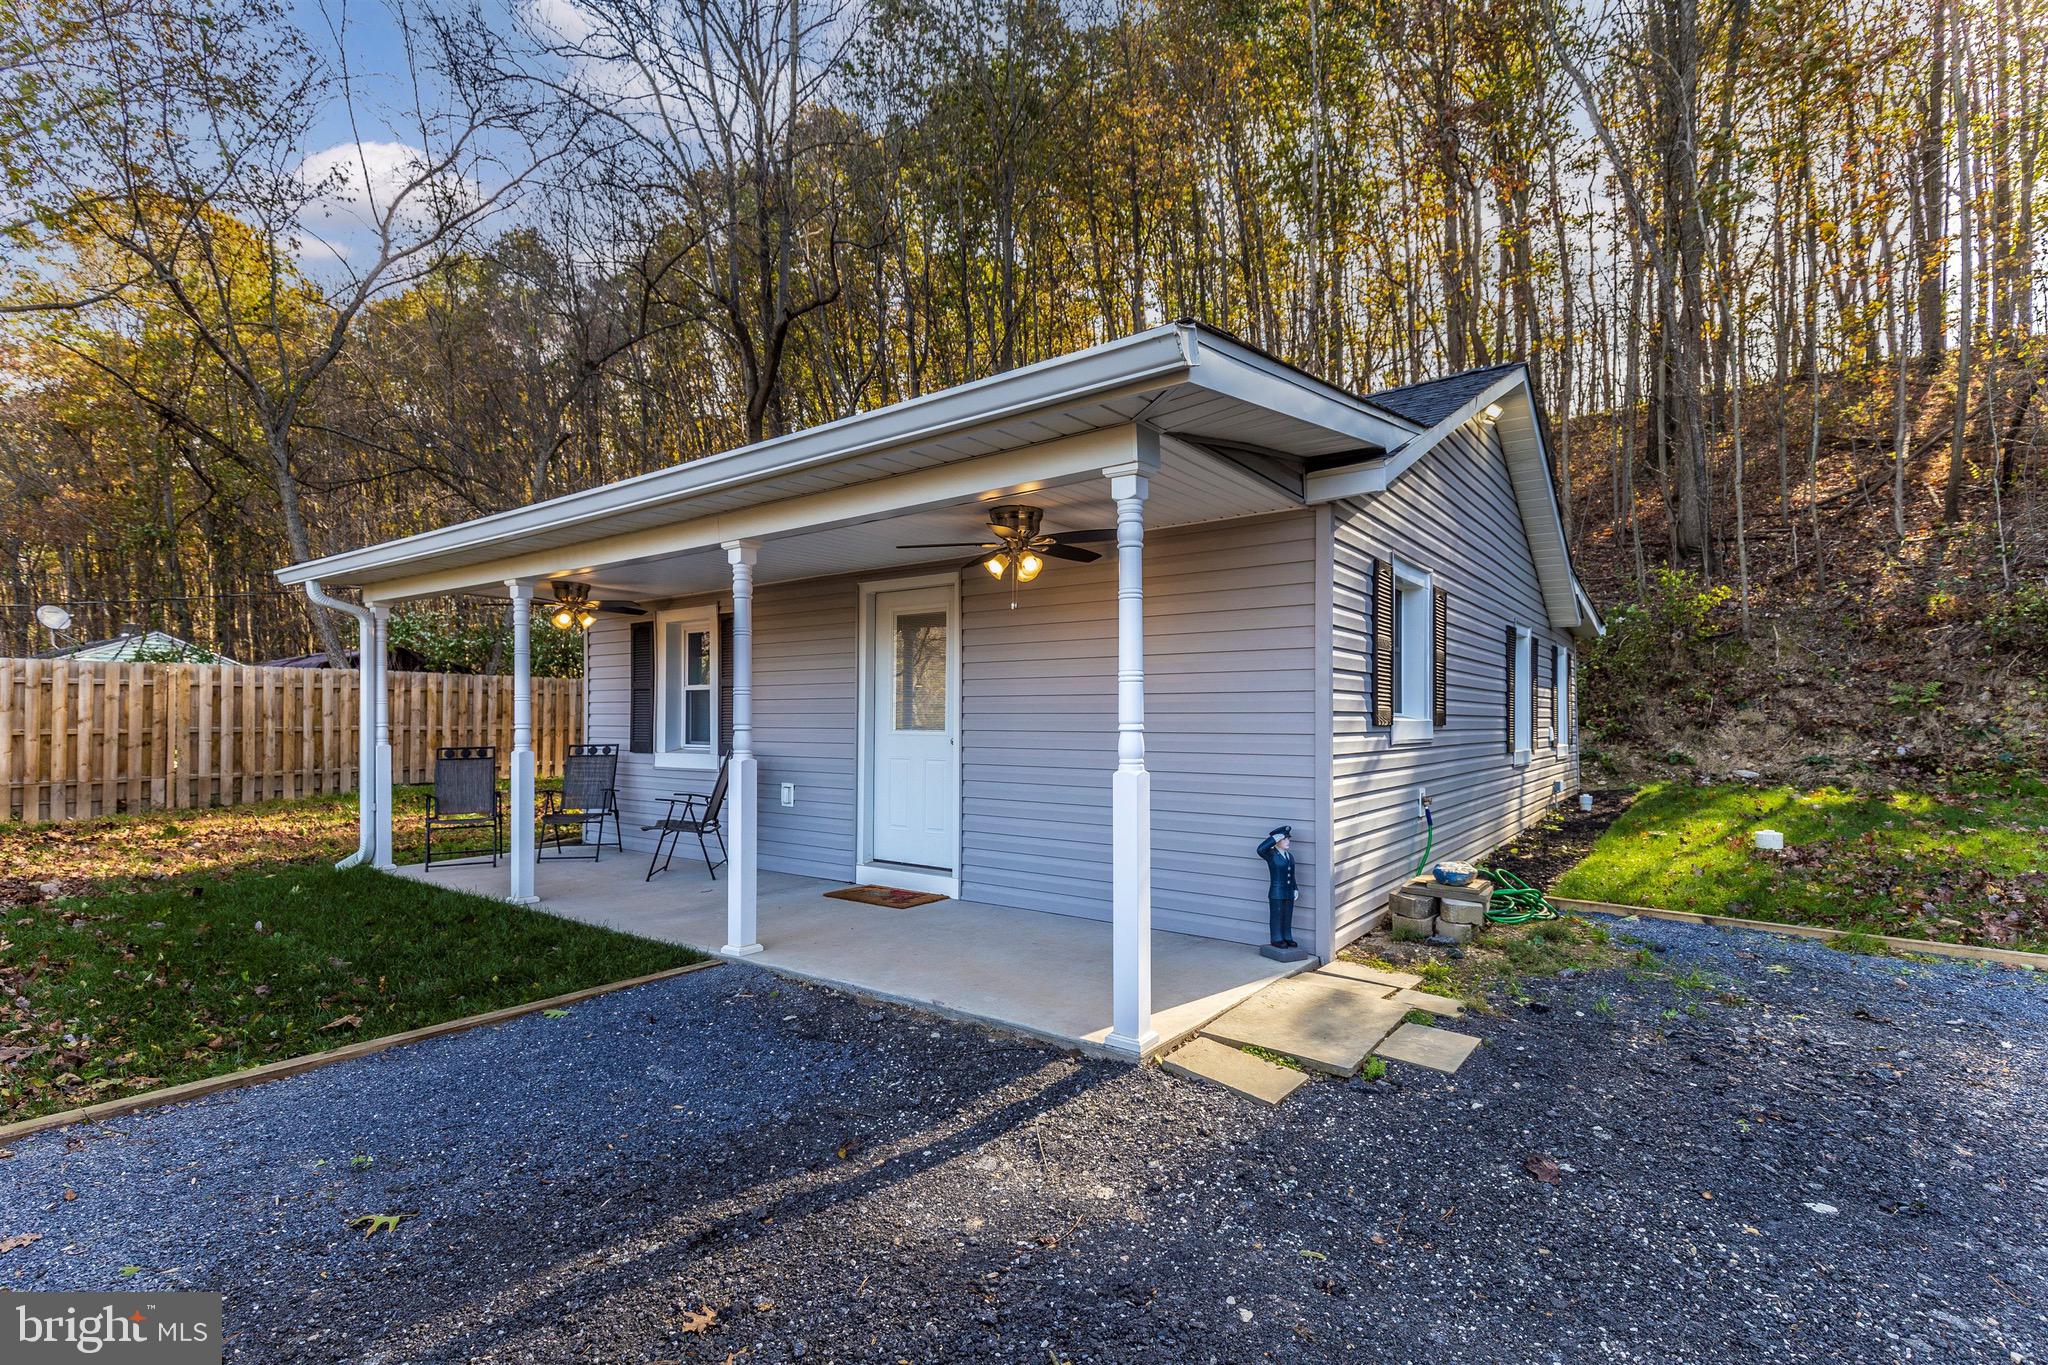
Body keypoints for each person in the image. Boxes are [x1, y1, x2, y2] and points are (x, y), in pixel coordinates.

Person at [1256, 825, 1298, 949]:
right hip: (1277, 892)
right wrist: (1273, 839)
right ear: (1277, 841)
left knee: (1287, 915)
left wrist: (1295, 888)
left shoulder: (1289, 856)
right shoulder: (1271, 855)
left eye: (1288, 839)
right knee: (1277, 915)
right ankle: (1276, 938)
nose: (1287, 841)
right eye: (1284, 839)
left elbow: (1292, 874)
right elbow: (1260, 850)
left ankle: (1287, 936)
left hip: (1289, 891)